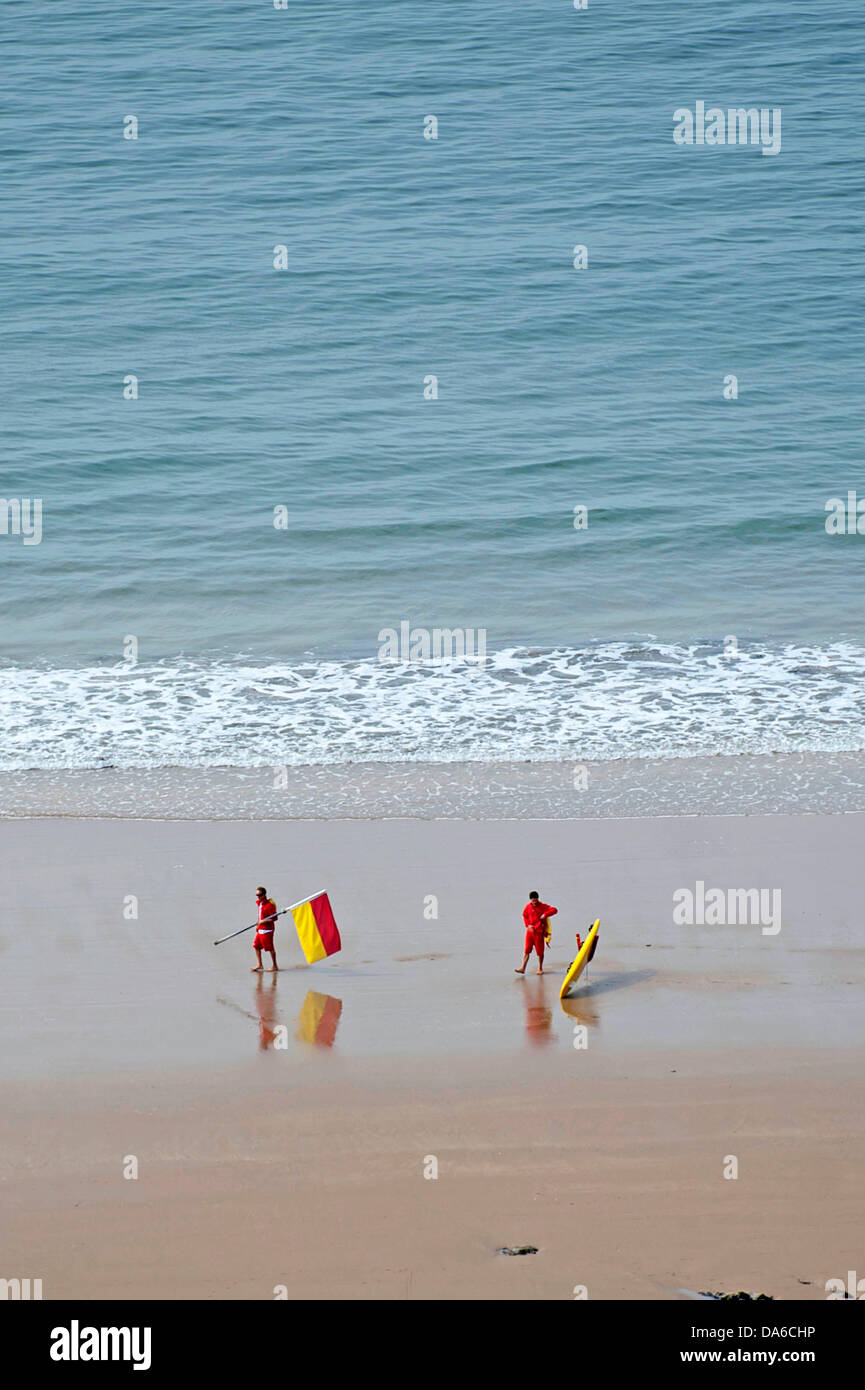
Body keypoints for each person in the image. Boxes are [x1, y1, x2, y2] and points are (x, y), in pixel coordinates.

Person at [515, 891, 557, 976]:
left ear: (538, 899)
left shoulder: (543, 906)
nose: (534, 901)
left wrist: (545, 914)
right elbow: (525, 916)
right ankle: (523, 968)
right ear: (530, 899)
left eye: (535, 900)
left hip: (539, 932)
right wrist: (528, 925)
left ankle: (540, 968)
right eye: (532, 900)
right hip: (530, 932)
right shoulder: (528, 907)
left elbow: (555, 910)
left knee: (540, 952)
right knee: (527, 950)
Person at [251, 886, 279, 972]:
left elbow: (275, 918)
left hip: (267, 930)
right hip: (260, 929)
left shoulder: (269, 905)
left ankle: (275, 965)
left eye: (260, 895)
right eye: (257, 895)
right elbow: (260, 916)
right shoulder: (259, 903)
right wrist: (258, 925)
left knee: (270, 948)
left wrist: (263, 921)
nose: (258, 897)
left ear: (264, 894)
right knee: (256, 946)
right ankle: (260, 964)